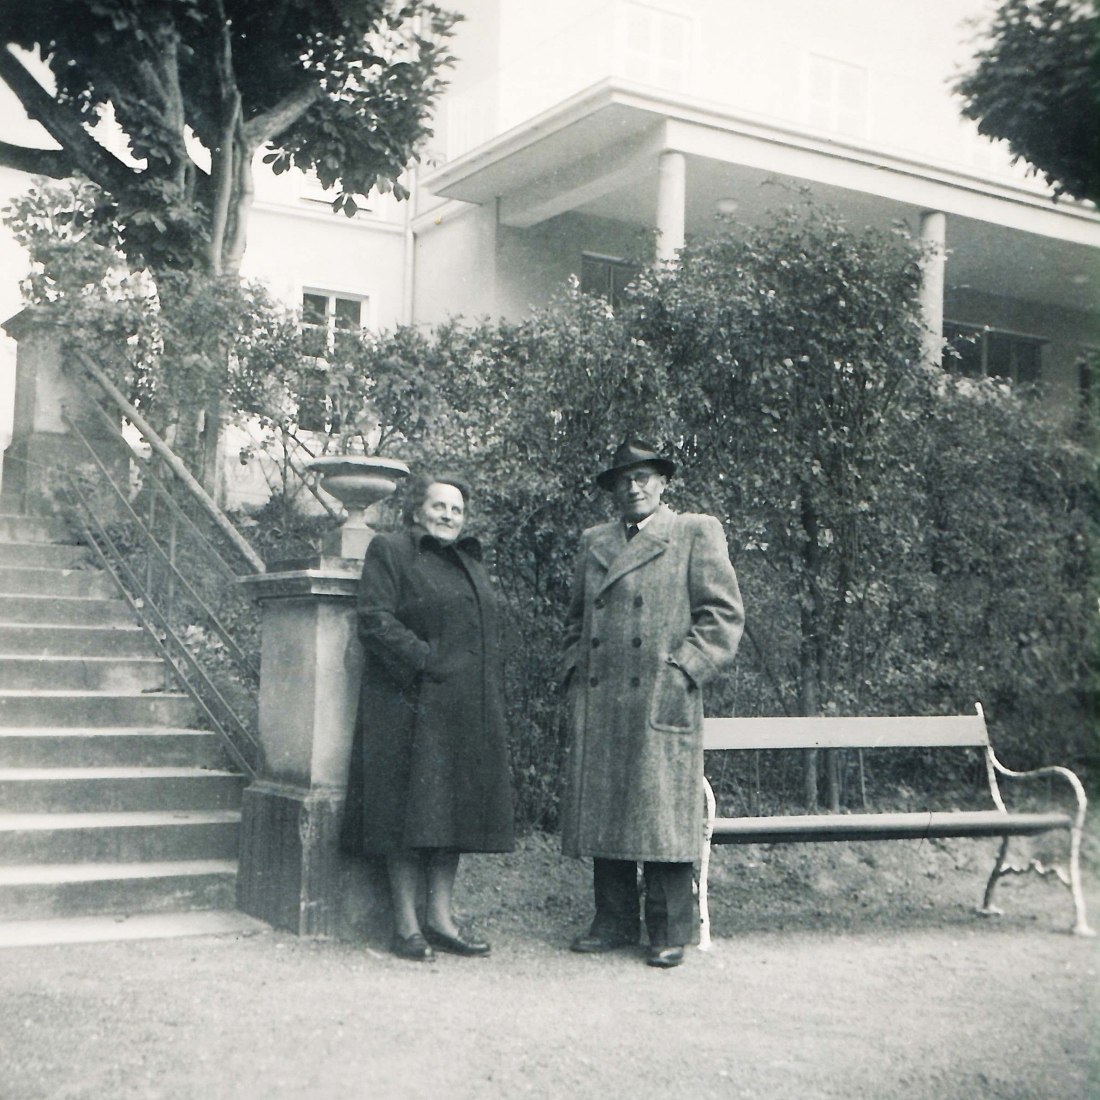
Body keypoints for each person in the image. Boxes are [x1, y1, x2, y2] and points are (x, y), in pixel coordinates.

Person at [561, 439, 744, 968]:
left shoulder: (693, 532)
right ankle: (612, 920)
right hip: (602, 696)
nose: (633, 486)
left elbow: (723, 616)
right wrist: (573, 671)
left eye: (643, 477)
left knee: (662, 814)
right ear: (613, 490)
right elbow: (575, 620)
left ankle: (669, 929)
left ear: (663, 484)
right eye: (623, 479)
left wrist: (686, 668)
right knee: (608, 807)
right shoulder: (594, 540)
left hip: (662, 693)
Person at [342, 473, 515, 961]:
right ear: (416, 510)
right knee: (406, 817)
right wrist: (425, 660)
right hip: (408, 706)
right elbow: (374, 618)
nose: (448, 516)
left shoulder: (469, 561)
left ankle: (442, 920)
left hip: (464, 710)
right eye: (438, 506)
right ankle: (406, 926)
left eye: (456, 509)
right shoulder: (391, 550)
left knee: (453, 816)